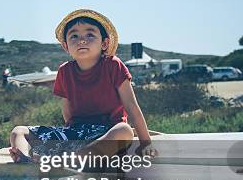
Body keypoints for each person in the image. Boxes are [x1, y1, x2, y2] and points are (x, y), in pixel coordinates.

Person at [9, 9, 157, 164]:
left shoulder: (113, 65)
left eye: (90, 35)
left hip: (107, 132)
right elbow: (68, 113)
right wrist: (67, 138)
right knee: (18, 132)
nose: (82, 40)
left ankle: (73, 159)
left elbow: (132, 107)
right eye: (74, 36)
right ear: (66, 46)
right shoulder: (65, 71)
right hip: (76, 133)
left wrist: (145, 143)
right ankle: (24, 159)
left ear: (104, 43)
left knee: (124, 131)